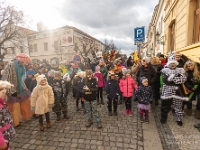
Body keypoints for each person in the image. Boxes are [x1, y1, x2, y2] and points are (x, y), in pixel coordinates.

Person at [2, 53, 33, 127]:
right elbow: (7, 78)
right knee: (14, 107)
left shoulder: (21, 66)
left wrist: (24, 87)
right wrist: (11, 91)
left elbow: (21, 78)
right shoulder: (11, 65)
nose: (26, 64)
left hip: (20, 87)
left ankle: (27, 116)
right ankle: (16, 122)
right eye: (25, 62)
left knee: (26, 101)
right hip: (12, 89)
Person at [160, 52, 188, 126]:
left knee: (178, 105)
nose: (172, 65)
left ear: (176, 63)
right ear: (168, 64)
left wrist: (173, 79)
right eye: (171, 63)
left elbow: (183, 79)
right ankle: (163, 117)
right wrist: (176, 79)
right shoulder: (164, 70)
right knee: (165, 105)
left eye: (174, 63)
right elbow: (166, 80)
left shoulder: (181, 70)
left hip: (177, 90)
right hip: (167, 90)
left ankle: (179, 118)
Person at [0, 81, 15, 150]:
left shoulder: (2, 101)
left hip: (6, 132)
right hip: (2, 137)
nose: (4, 92)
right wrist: (1, 142)